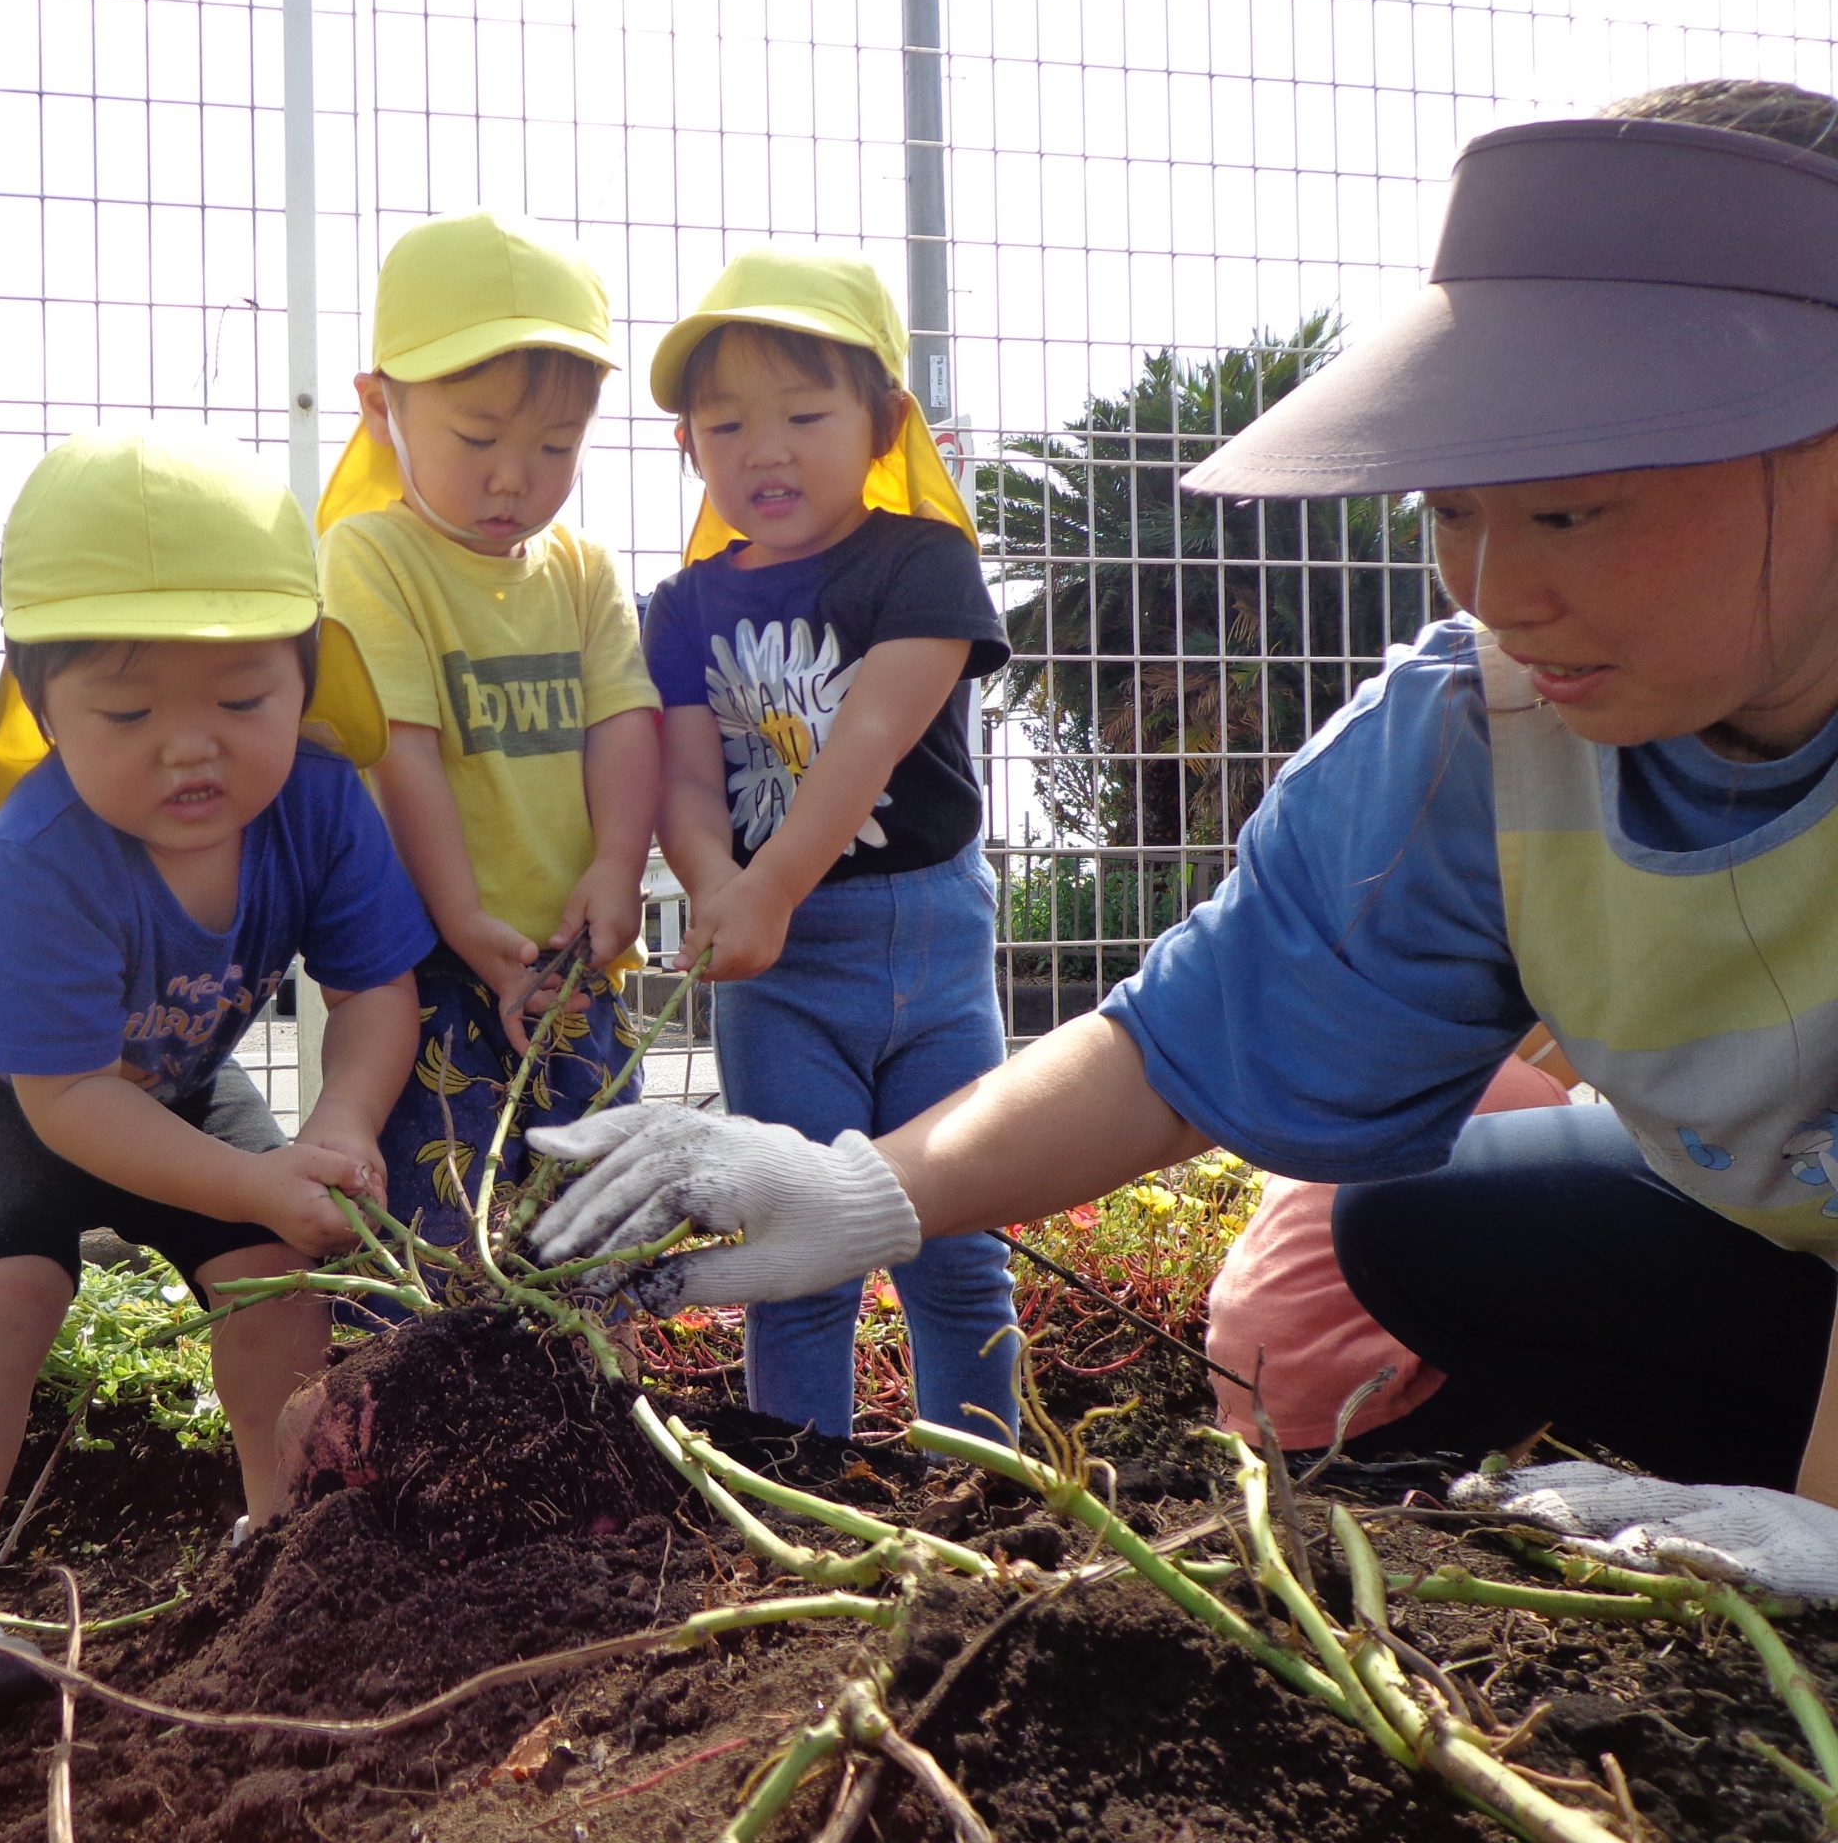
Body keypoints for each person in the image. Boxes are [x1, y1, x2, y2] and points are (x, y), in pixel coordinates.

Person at [528, 80, 1838, 1591]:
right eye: (1456, 509)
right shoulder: (1484, 734)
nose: (1493, 586)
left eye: (1571, 515)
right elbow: (1188, 1037)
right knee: (1417, 1231)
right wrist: (863, 1193)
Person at [0, 427, 433, 1760]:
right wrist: (253, 1176)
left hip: (167, 1066)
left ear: (306, 680)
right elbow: (65, 1108)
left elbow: (376, 995)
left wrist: (339, 1130)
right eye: (128, 715)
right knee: (7, 1281)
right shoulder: (40, 856)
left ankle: (283, 1551)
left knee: (273, 1270)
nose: (194, 751)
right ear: (45, 710)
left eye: (243, 701)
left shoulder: (325, 808)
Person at [640, 247, 1019, 1441]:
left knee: (956, 1244)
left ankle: (992, 1491)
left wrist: (765, 889)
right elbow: (686, 780)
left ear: (883, 421)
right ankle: (814, 1501)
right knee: (796, 1255)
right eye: (725, 422)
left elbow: (869, 733)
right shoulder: (685, 604)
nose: (765, 448)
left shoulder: (922, 562)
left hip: (928, 946)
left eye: (805, 414)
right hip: (777, 974)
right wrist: (717, 891)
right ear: (689, 446)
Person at [316, 209, 661, 1248]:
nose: (516, 475)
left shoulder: (584, 571)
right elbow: (400, 750)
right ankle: (417, 1408)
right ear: (381, 408)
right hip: (425, 964)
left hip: (571, 959)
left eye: (556, 445)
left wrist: (617, 869)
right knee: (436, 1224)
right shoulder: (371, 556)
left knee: (598, 1217)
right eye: (477, 438)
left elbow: (625, 726)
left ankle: (600, 1398)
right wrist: (465, 921)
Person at [1207, 1032, 1574, 1451]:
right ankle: (1492, 1475)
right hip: (1363, 1418)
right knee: (1581, 1287)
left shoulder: (1364, 1068)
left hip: (1250, 1396)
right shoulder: (1528, 1091)